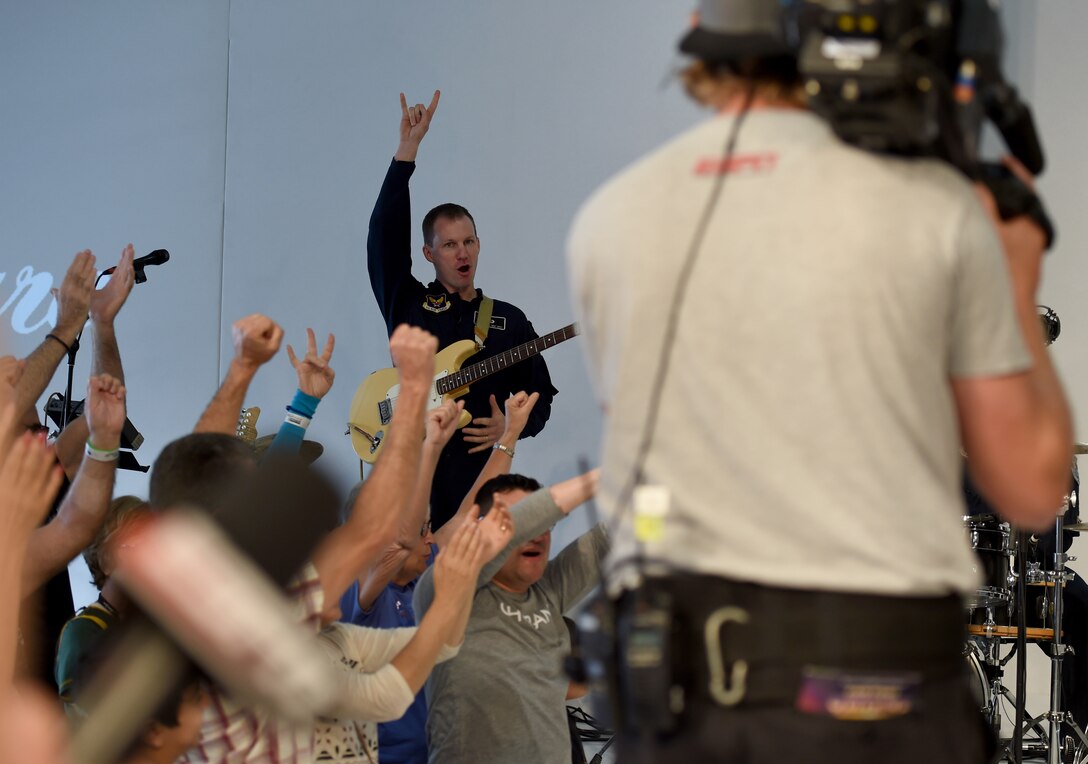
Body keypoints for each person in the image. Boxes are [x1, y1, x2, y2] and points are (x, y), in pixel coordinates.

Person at [565, 1, 1073, 762]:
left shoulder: (608, 220)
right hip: (874, 694)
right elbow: (1032, 485)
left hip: (685, 702)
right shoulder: (930, 206)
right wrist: (1019, 272)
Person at [366, 89, 558, 529]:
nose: (462, 252)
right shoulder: (409, 303)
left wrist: (511, 428)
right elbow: (382, 241)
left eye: (469, 241)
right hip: (410, 486)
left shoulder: (509, 319)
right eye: (449, 244)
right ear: (429, 254)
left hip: (476, 492)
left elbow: (542, 396)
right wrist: (406, 152)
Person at [339, 391, 539, 763]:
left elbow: (468, 514)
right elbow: (398, 545)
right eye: (422, 531)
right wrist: (429, 448)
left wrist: (509, 436)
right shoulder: (355, 598)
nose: (430, 537)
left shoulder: (420, 567)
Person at [413, 469, 605, 764]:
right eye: (523, 518)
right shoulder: (447, 589)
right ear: (479, 528)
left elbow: (607, 540)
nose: (538, 533)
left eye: (546, 525)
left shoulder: (548, 591)